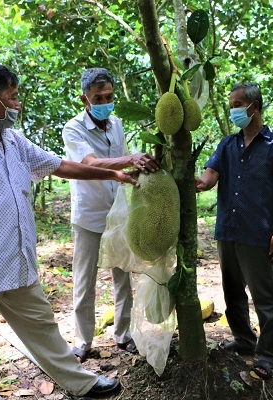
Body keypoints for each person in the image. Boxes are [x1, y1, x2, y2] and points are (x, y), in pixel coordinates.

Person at [0, 63, 134, 399]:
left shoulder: (14, 141)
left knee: (43, 328)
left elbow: (60, 166)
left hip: (18, 264)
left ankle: (81, 383)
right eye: (11, 98)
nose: (17, 105)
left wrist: (113, 174)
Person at [196, 82, 273, 380]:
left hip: (257, 232)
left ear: (255, 107)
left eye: (238, 104)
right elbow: (211, 174)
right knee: (232, 293)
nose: (233, 110)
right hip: (227, 229)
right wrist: (198, 182)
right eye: (231, 105)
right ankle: (244, 340)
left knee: (264, 296)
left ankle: (267, 354)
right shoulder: (227, 144)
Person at [62, 68, 160, 361]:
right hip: (89, 215)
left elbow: (118, 166)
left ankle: (123, 334)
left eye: (109, 96)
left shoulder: (116, 124)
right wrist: (128, 159)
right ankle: (82, 340)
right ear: (84, 99)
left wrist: (133, 171)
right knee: (84, 281)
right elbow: (91, 164)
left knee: (122, 275)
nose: (105, 101)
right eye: (98, 97)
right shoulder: (73, 129)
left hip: (118, 211)